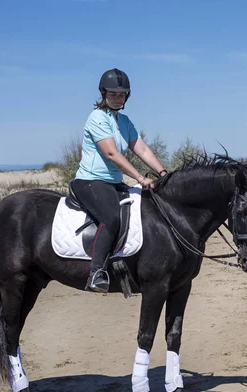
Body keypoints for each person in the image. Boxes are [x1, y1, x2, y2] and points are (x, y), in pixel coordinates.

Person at [72, 68, 168, 293]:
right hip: (90, 181)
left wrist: (163, 173)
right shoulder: (96, 118)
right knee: (112, 218)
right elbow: (112, 154)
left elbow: (141, 148)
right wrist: (140, 178)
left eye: (122, 94)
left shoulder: (124, 121)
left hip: (113, 183)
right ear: (103, 93)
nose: (118, 97)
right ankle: (97, 272)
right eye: (113, 93)